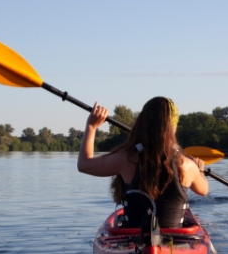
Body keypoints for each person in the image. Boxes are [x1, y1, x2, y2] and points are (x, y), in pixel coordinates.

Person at [77, 96, 208, 230]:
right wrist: (200, 171)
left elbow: (84, 165)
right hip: (176, 240)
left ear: (142, 123)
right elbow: (204, 190)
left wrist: (91, 126)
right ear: (173, 127)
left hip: (134, 241)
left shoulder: (125, 159)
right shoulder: (187, 165)